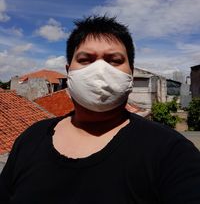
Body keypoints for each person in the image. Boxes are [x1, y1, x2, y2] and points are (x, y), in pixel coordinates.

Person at [0, 15, 200, 204]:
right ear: (69, 72)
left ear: (130, 73)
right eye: (86, 60)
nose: (100, 70)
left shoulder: (171, 152)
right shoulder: (30, 139)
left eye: (114, 60)